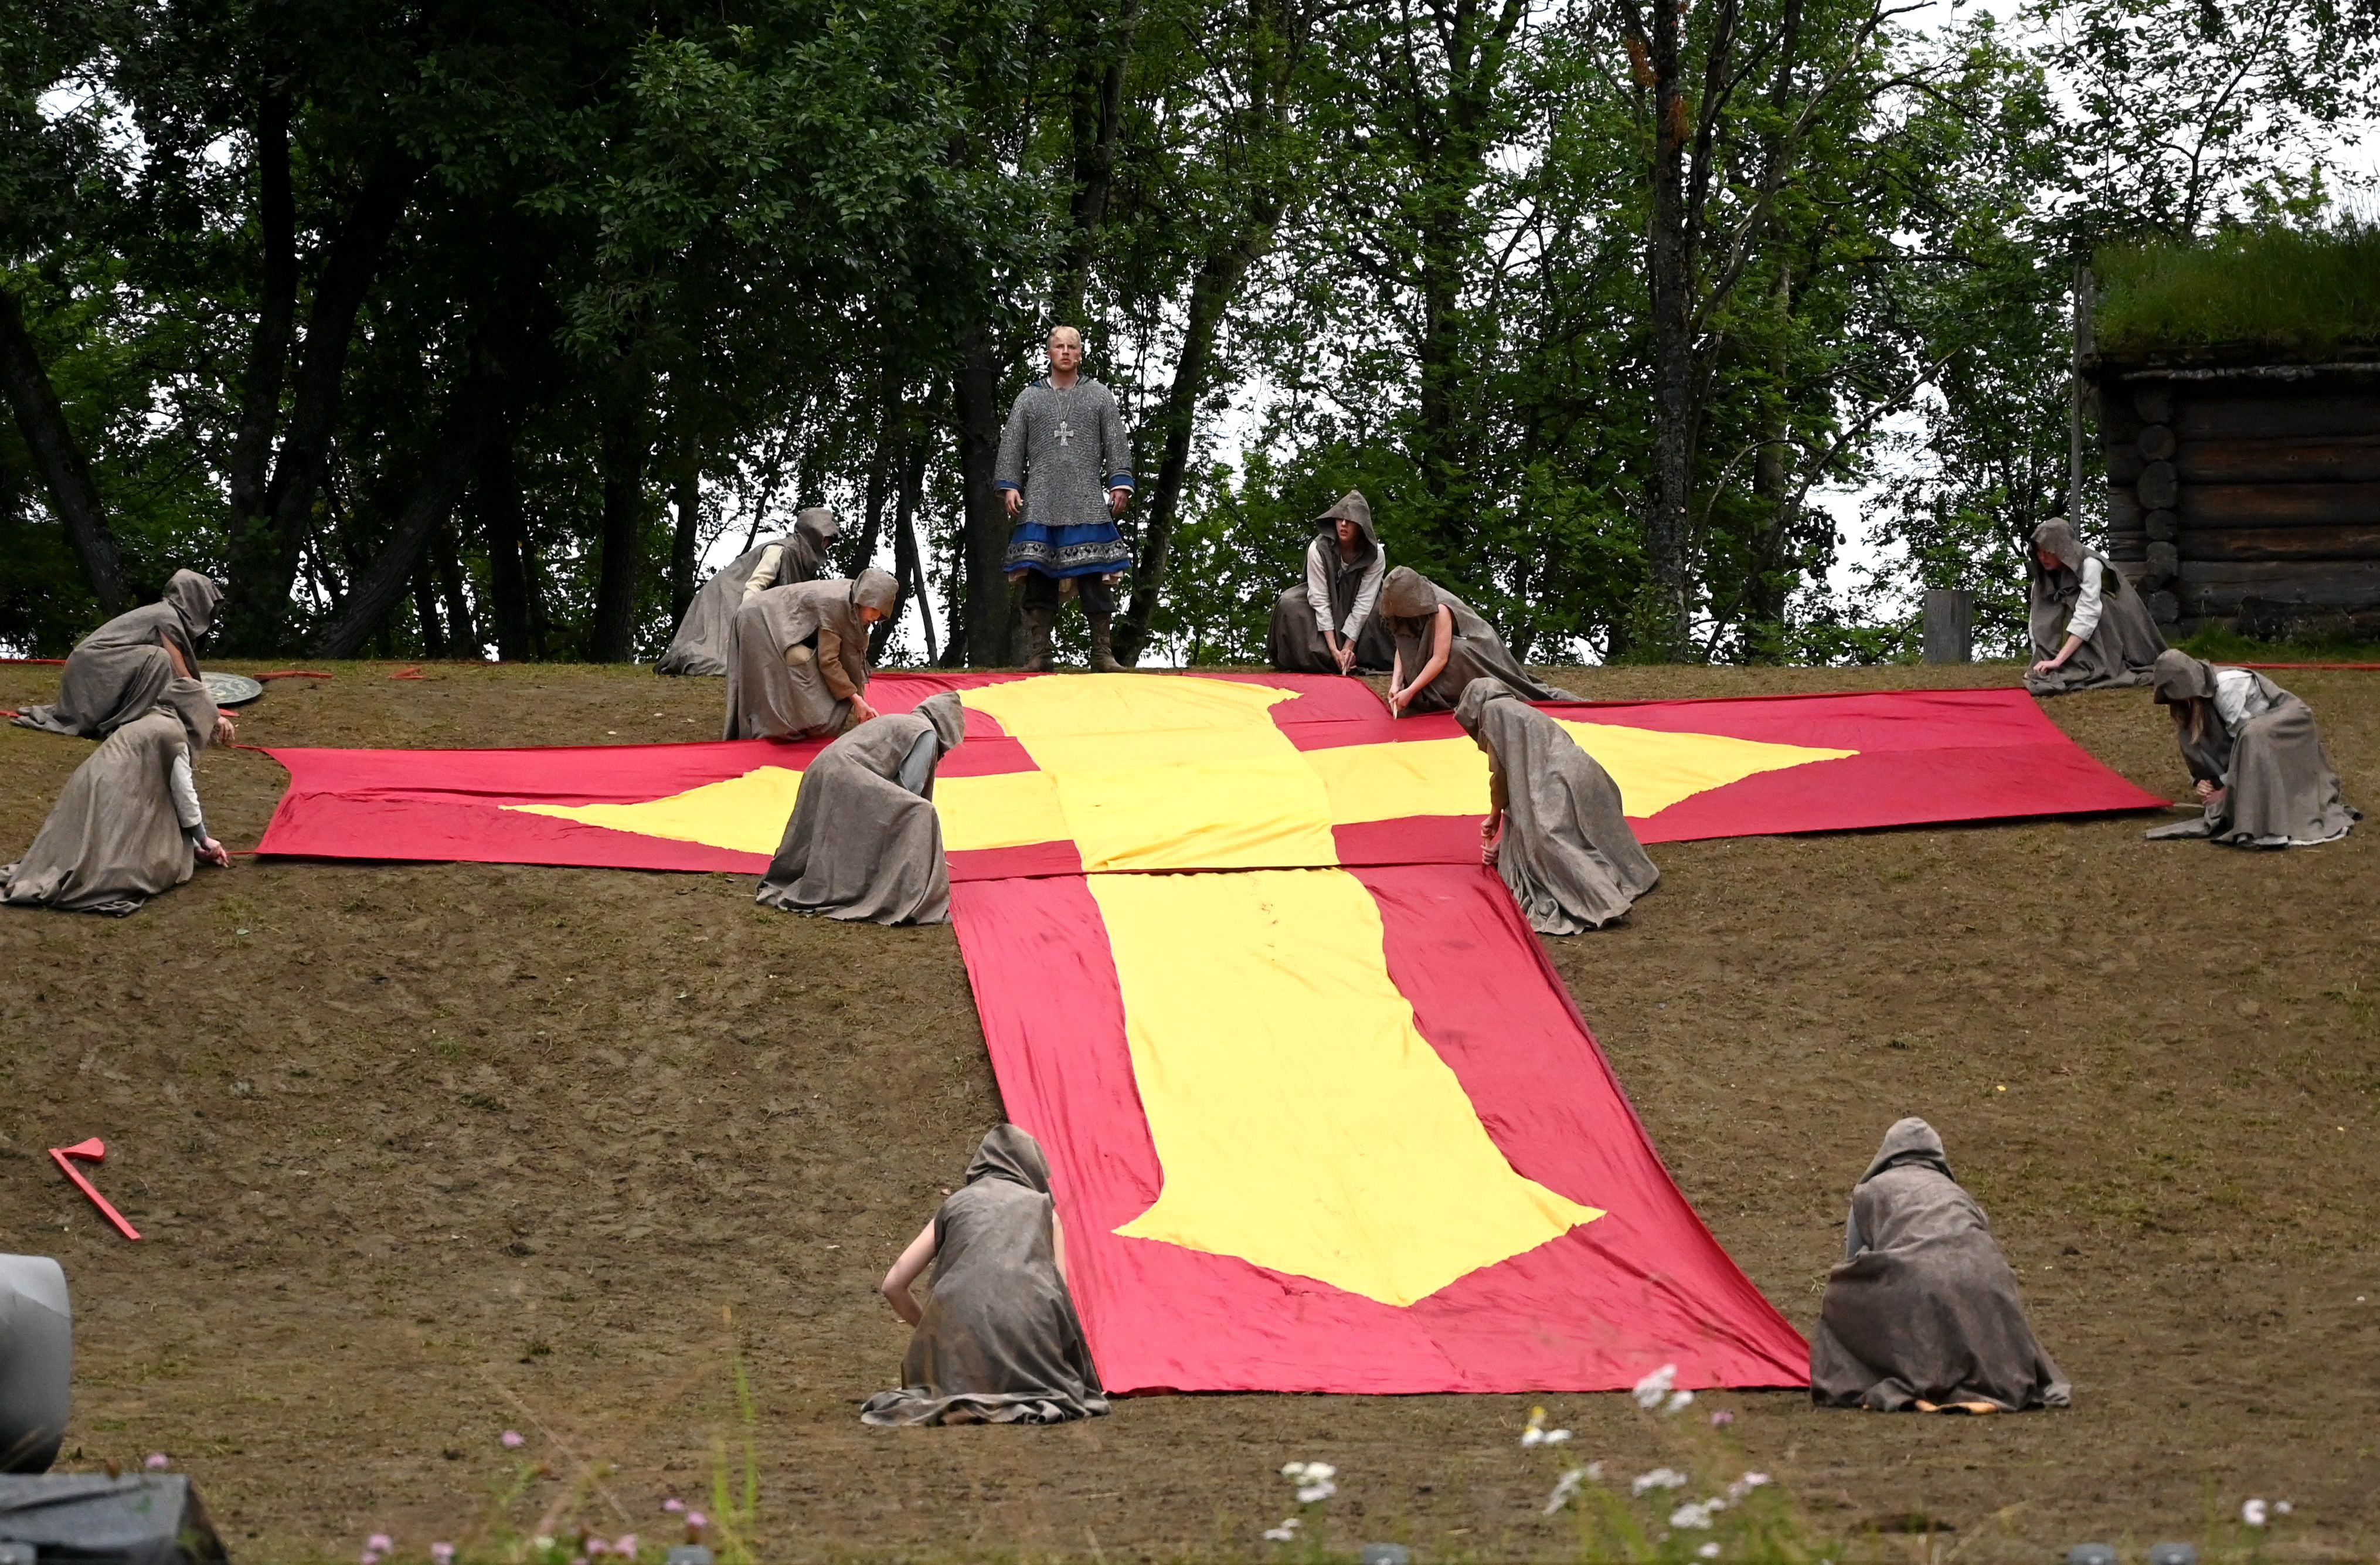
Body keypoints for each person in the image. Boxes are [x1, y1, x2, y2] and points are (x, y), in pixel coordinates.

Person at [1809, 1118, 2069, 1414]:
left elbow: (1854, 1265)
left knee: (1844, 1294)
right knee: (1949, 1297)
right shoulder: (1959, 1195)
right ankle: (1984, 1388)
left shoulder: (1870, 1191)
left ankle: (1907, 1385)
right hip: (1992, 1284)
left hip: (1918, 1278)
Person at [861, 1125, 1107, 1427]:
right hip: (1029, 1349)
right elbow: (1060, 1300)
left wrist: (935, 1333)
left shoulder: (955, 1205)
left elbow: (893, 1285)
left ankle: (969, 1397)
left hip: (959, 1349)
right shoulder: (1045, 1210)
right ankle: (1006, 1393)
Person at [4, 680, 232, 916]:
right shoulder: (173, 736)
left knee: (83, 845)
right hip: (116, 789)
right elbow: (184, 797)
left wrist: (194, 848)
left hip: (91, 778)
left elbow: (164, 803)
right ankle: (89, 878)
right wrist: (204, 839)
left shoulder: (151, 720)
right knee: (120, 859)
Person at [1455, 678, 1658, 933]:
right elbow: (1520, 806)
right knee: (1565, 832)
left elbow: (1501, 776)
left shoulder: (1493, 714)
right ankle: (1635, 875)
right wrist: (1504, 849)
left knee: (1550, 839)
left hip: (1557, 780)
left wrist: (1494, 815)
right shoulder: (1518, 709)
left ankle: (1606, 902)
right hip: (1584, 770)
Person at [756, 692, 968, 925]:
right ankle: (889, 889)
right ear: (949, 727)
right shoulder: (925, 733)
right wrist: (924, 845)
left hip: (822, 768)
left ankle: (832, 880)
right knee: (921, 813)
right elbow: (910, 789)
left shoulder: (901, 722)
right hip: (847, 773)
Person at [995, 325, 1134, 673]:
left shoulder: (1099, 396)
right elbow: (1012, 445)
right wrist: (1011, 486)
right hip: (1041, 498)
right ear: (1049, 352)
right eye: (1059, 346)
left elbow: (1116, 442)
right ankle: (1039, 653)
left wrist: (1119, 482)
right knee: (1039, 577)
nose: (1066, 352)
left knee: (1095, 576)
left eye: (1072, 347)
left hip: (1085, 496)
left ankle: (1102, 653)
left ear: (1080, 353)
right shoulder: (1029, 398)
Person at [2144, 649, 2358, 848]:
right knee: (2192, 730)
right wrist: (2203, 782)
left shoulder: (2227, 688)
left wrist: (2226, 793)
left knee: (2252, 734)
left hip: (2289, 724)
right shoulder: (2194, 703)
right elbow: (2212, 745)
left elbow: (2245, 750)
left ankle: (2268, 823)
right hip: (2256, 739)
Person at [12, 571, 234, 745]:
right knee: (158, 658)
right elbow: (182, 675)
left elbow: (176, 679)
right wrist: (213, 715)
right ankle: (129, 722)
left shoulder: (167, 615)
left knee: (157, 661)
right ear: (193, 598)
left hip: (97, 664)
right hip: (92, 664)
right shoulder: (166, 616)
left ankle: (140, 719)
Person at [655, 507, 842, 677]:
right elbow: (755, 585)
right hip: (728, 596)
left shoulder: (803, 562)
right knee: (722, 659)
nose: (827, 544)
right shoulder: (780, 550)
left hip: (748, 603)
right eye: (825, 538)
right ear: (813, 534)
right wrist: (748, 619)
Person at [723, 569, 898, 740]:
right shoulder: (837, 606)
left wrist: (861, 703)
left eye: (880, 613)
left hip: (774, 617)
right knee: (786, 669)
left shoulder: (855, 605)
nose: (875, 616)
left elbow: (854, 658)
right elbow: (829, 662)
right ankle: (769, 726)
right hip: (759, 616)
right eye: (873, 608)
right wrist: (857, 701)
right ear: (863, 597)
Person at [1376, 566, 1558, 715]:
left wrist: (1411, 691)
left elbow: (1440, 658)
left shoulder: (1440, 608)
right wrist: (1396, 683)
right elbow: (1405, 645)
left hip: (1474, 648)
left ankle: (1458, 695)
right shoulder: (1402, 613)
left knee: (1457, 651)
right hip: (1440, 654)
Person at [2024, 518, 2164, 695]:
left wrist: (2058, 661)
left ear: (2062, 549)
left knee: (2096, 607)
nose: (2042, 557)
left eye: (2047, 552)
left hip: (2112, 626)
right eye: (2039, 551)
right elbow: (2038, 616)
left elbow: (2087, 616)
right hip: (2080, 626)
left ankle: (2097, 662)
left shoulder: (2090, 564)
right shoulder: (2043, 576)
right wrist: (2038, 658)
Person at [1266, 490, 1395, 675]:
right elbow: (1320, 599)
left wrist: (1348, 647)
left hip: (1360, 606)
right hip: (1323, 603)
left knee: (1381, 612)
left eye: (1350, 520)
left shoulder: (1376, 554)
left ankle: (1356, 657)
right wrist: (1334, 649)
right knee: (1289, 604)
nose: (1343, 524)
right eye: (1340, 519)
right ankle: (1330, 657)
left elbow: (1364, 603)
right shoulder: (1318, 549)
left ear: (1361, 525)